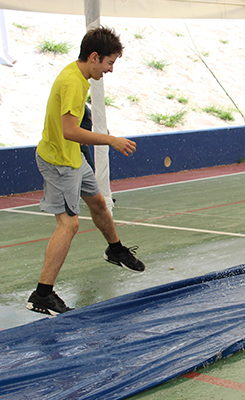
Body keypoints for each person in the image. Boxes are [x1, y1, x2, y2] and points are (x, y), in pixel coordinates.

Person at [27, 26, 145, 317]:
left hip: (74, 158)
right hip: (59, 162)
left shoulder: (79, 77)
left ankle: (115, 249)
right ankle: (42, 294)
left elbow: (76, 126)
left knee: (98, 203)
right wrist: (110, 140)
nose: (110, 70)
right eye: (109, 63)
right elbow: (69, 131)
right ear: (94, 57)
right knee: (69, 225)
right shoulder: (72, 82)